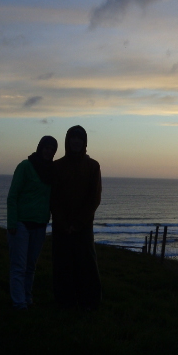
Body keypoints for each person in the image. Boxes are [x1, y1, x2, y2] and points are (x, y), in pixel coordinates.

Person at [51, 125, 102, 310]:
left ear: (84, 142)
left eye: (80, 138)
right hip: (61, 226)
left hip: (84, 226)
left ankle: (90, 303)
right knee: (62, 264)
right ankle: (64, 302)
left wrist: (79, 223)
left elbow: (94, 198)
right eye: (73, 138)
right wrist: (63, 222)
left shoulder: (93, 166)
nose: (76, 141)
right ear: (67, 140)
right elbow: (53, 198)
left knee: (86, 264)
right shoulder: (57, 166)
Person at [6, 135, 58, 310]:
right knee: (19, 266)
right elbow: (13, 195)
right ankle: (19, 303)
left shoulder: (51, 171)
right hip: (21, 224)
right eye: (47, 148)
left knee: (30, 266)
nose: (49, 152)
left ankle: (27, 298)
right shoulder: (25, 166)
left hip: (40, 225)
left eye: (52, 149)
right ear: (40, 147)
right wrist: (12, 223)